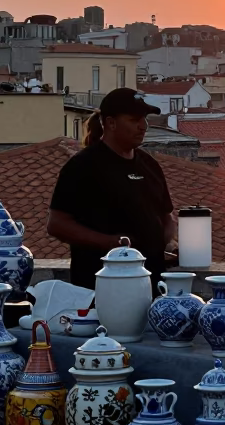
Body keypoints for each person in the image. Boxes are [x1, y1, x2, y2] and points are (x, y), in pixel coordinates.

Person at [47, 87, 177, 288]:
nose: (143, 126)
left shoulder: (150, 165)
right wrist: (109, 242)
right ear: (111, 123)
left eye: (144, 119)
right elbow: (57, 224)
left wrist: (160, 243)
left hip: (151, 285)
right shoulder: (83, 166)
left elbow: (166, 217)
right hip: (100, 287)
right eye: (134, 120)